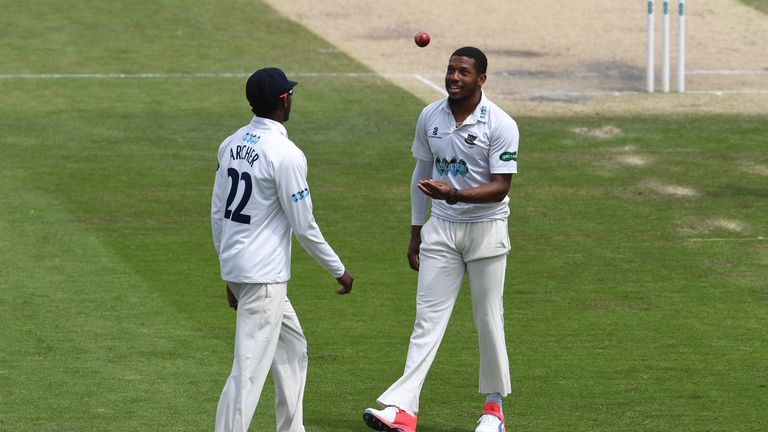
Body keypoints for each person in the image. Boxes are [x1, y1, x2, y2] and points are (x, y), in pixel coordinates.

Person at [363, 47, 519, 432]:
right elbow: (421, 172)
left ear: (480, 79)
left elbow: (500, 187)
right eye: (450, 70)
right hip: (441, 230)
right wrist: (416, 231)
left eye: (463, 72)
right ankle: (403, 409)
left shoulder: (500, 124)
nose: (453, 77)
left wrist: (455, 194)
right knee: (426, 321)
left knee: (488, 319)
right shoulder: (429, 115)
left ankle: (493, 411)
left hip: (486, 229)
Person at [211, 67, 354, 432]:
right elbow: (303, 225)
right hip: (263, 277)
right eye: (290, 93)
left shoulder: (231, 143)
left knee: (292, 347)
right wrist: (338, 269)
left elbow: (218, 211)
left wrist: (229, 272)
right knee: (248, 370)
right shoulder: (286, 154)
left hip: (244, 271)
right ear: (282, 100)